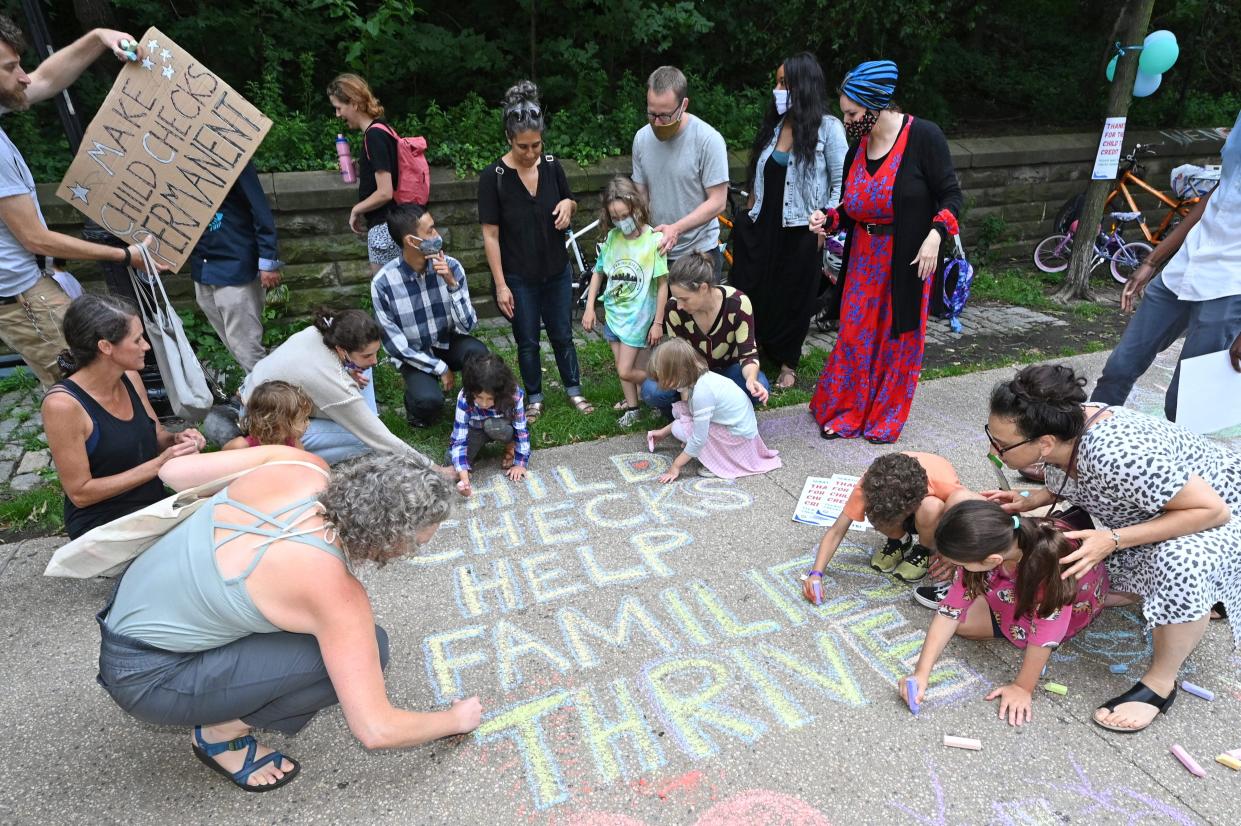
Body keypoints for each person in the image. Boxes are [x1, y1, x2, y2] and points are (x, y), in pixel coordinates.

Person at [96, 446, 483, 792]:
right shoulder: (335, 594)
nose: (414, 551)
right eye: (418, 543)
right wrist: (454, 720)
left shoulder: (299, 466)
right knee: (369, 650)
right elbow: (376, 729)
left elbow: (173, 473)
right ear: (390, 539)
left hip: (126, 609)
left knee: (338, 642)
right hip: (147, 676)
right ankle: (220, 735)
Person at [983, 363, 1241, 733]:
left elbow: (1213, 510)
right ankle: (1204, 599)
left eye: (1003, 445)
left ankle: (1160, 683)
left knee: (1180, 563)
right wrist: (1033, 497)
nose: (995, 449)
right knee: (1089, 574)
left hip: (1224, 514)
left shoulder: (1115, 455)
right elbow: (1076, 475)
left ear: (1044, 443)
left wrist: (1114, 539)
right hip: (1172, 507)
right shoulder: (1065, 426)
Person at [0, 18, 163, 388]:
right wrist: (125, 255)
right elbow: (35, 239)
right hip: (27, 300)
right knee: (94, 393)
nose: (24, 76)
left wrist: (99, 37)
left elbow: (46, 80)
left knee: (114, 379)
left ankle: (148, 441)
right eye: (11, 68)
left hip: (32, 287)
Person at [808, 60, 963, 444]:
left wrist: (936, 234)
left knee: (898, 340)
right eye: (844, 113)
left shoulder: (923, 136)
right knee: (855, 335)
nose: (846, 121)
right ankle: (847, 411)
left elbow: (952, 196)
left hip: (908, 259)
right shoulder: (857, 147)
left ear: (875, 105)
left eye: (852, 113)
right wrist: (828, 220)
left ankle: (884, 419)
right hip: (863, 258)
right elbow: (850, 208)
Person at [902, 499, 1109, 727]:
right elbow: (950, 611)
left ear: (992, 560)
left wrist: (1023, 687)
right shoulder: (1006, 537)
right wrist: (921, 673)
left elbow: (1045, 632)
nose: (957, 567)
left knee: (969, 623)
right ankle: (995, 592)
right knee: (959, 621)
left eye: (959, 563)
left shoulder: (1046, 568)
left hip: (1066, 603)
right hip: (1020, 587)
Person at [1091, 108, 1241, 419]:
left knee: (1186, 401)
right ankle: (1084, 448)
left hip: (1229, 285)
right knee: (1119, 368)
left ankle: (1180, 466)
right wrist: (1152, 261)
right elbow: (1216, 195)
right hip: (1184, 268)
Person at [43, 295, 205, 540]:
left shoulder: (129, 376)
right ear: (106, 347)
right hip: (102, 522)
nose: (146, 346)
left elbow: (156, 435)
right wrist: (159, 464)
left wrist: (176, 441)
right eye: (137, 339)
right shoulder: (63, 405)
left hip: (152, 505)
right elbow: (80, 493)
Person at [729, 53, 846, 389]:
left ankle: (788, 362)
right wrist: (749, 213)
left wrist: (827, 223)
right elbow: (761, 176)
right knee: (750, 288)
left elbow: (842, 184)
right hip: (762, 224)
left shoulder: (830, 129)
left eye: (784, 83)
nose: (777, 89)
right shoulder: (775, 126)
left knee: (793, 295)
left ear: (802, 86)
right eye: (777, 82)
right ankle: (753, 347)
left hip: (802, 230)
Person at [478, 80, 591, 422]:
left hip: (556, 270)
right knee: (526, 340)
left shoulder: (553, 165)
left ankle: (574, 390)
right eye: (523, 147)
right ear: (509, 140)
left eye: (536, 145)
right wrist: (501, 284)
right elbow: (491, 235)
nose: (530, 154)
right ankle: (535, 397)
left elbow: (570, 199)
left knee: (562, 334)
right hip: (518, 276)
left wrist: (569, 206)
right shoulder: (493, 177)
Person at [242, 307, 434, 467]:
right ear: (341, 350)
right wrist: (431, 466)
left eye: (376, 353)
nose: (375, 361)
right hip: (262, 422)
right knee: (366, 441)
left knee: (363, 370)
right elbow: (377, 437)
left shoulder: (327, 330)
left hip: (268, 397)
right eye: (368, 355)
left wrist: (350, 369)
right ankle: (283, 457)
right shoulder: (329, 380)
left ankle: (363, 415)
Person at [371, 203, 486, 427]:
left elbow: (469, 325)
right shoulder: (383, 283)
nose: (437, 235)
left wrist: (452, 284)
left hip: (446, 341)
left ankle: (475, 403)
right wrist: (439, 368)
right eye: (430, 231)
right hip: (413, 352)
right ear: (411, 241)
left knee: (480, 356)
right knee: (428, 402)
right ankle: (417, 406)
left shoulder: (451, 266)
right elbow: (395, 346)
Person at [801, 452, 968, 604]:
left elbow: (969, 515)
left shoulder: (943, 483)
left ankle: (924, 549)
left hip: (931, 508)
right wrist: (816, 574)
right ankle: (900, 541)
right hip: (901, 502)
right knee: (876, 510)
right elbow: (836, 531)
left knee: (931, 507)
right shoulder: (870, 485)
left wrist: (952, 552)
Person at [581, 176, 668, 425]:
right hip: (614, 314)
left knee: (625, 369)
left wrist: (658, 323)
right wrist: (590, 308)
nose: (621, 222)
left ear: (636, 207)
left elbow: (663, 284)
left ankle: (664, 389)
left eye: (624, 215)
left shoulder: (653, 240)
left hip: (639, 317)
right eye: (615, 218)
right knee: (624, 365)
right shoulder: (612, 238)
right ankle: (635, 407)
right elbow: (598, 272)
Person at [641, 253, 770, 417]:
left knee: (759, 385)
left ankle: (721, 416)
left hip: (727, 374)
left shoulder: (738, 302)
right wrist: (691, 414)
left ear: (703, 288)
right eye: (676, 298)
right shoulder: (673, 308)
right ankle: (680, 416)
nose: (679, 305)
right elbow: (681, 363)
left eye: (684, 299)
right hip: (691, 376)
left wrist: (751, 378)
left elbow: (748, 354)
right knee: (651, 391)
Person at [632, 66, 730, 277]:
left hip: (699, 254)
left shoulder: (708, 140)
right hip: (657, 251)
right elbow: (641, 195)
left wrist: (676, 228)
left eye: (665, 116)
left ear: (683, 105)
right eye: (651, 113)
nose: (656, 123)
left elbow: (718, 201)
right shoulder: (641, 138)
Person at [188, 160, 282, 374]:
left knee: (247, 346)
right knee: (237, 347)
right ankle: (263, 391)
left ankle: (271, 400)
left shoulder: (233, 157)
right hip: (202, 266)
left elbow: (259, 208)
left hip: (234, 263)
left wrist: (268, 259)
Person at [645, 337, 781, 483]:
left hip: (738, 439)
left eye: (665, 377)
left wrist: (676, 466)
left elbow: (698, 439)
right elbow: (692, 416)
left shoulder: (702, 393)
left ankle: (717, 463)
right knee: (680, 414)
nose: (662, 382)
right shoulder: (700, 379)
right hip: (738, 429)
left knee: (680, 428)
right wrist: (663, 432)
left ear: (680, 371)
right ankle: (711, 453)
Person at [327, 73, 400, 273]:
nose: (338, 114)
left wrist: (356, 209)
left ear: (354, 103)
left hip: (385, 229)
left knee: (386, 299)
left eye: (339, 108)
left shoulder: (374, 135)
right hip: (397, 226)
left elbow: (385, 192)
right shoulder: (383, 129)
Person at [448, 351, 530, 497]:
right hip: (475, 428)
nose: (484, 404)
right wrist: (464, 479)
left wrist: (520, 463)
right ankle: (468, 463)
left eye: (490, 399)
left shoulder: (513, 395)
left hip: (502, 426)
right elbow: (459, 438)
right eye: (479, 397)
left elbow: (521, 429)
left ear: (500, 393)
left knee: (493, 426)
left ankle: (510, 446)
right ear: (471, 390)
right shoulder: (464, 397)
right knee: (451, 463)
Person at [223, 380, 311, 450]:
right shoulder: (242, 446)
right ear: (278, 423)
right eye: (303, 419)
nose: (308, 423)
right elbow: (223, 461)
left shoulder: (293, 443)